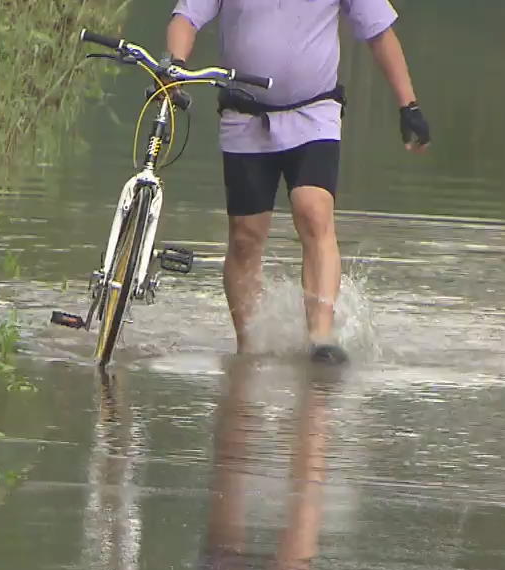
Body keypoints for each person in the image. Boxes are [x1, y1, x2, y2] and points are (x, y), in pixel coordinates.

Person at [166, 0, 430, 364]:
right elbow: (186, 16)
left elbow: (379, 33)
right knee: (245, 237)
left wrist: (409, 106)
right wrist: (176, 64)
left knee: (313, 210)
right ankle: (249, 348)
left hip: (315, 112)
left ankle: (321, 338)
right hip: (245, 117)